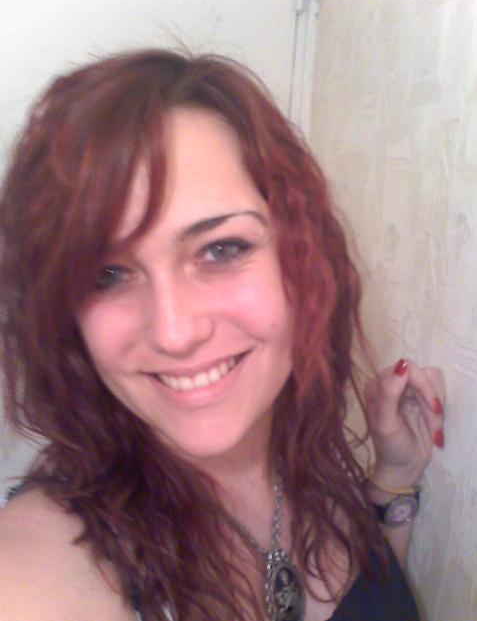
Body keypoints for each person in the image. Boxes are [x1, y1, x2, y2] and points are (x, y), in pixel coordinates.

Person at [0, 49, 445, 621]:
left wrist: (394, 478)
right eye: (106, 275)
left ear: (302, 256)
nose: (175, 332)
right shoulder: (38, 570)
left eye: (221, 249)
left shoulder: (307, 456)